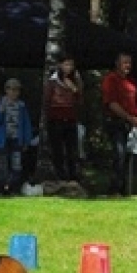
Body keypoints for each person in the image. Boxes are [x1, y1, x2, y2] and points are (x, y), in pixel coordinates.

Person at [101, 52, 137, 196]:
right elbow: (111, 103)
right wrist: (128, 117)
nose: (128, 66)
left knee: (128, 155)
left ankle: (124, 188)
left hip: (132, 123)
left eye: (129, 63)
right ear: (117, 64)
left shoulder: (132, 82)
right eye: (125, 63)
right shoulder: (110, 79)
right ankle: (114, 188)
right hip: (116, 122)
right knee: (119, 154)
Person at [0, 78, 34, 195]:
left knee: (16, 164)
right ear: (6, 90)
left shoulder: (21, 106)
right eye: (10, 89)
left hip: (17, 139)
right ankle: (0, 188)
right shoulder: (0, 104)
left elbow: (26, 124)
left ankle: (13, 187)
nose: (13, 92)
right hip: (3, 140)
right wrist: (0, 110)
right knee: (2, 164)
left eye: (16, 90)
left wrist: (27, 140)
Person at [43, 53, 83, 183]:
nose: (68, 67)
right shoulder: (53, 81)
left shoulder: (76, 80)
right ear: (60, 65)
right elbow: (47, 101)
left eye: (71, 65)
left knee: (72, 150)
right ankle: (60, 177)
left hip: (70, 120)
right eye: (66, 64)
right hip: (56, 120)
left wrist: (75, 90)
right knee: (58, 151)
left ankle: (73, 176)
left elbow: (80, 101)